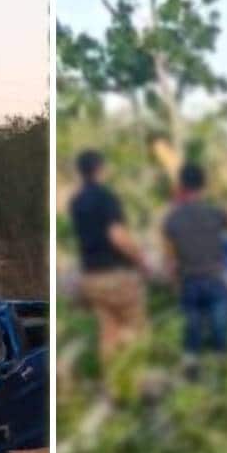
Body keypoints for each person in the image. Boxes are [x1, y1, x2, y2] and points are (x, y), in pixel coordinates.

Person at [70, 150, 148, 365]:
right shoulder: (106, 197)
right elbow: (117, 236)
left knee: (108, 332)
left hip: (91, 277)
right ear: (100, 168)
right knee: (135, 329)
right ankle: (133, 378)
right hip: (115, 276)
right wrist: (140, 259)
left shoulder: (77, 202)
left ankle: (112, 380)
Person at [163, 163, 227, 376]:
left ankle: (191, 370)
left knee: (191, 329)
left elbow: (170, 260)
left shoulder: (171, 219)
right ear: (204, 185)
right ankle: (224, 369)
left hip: (189, 280)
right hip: (215, 278)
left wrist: (175, 284)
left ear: (181, 186)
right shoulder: (216, 213)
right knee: (220, 328)